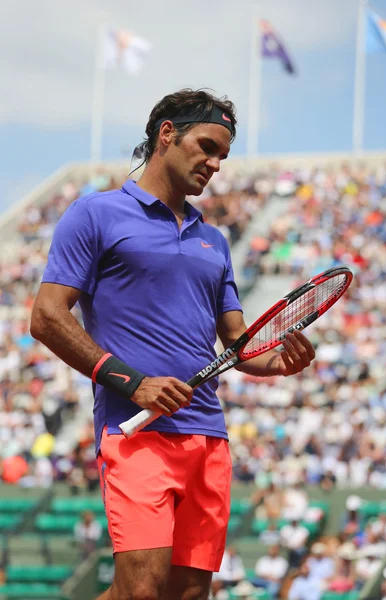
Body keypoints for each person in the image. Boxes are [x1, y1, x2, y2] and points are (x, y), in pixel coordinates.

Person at [30, 88, 316, 600]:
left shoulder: (217, 240)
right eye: (207, 146)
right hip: (134, 431)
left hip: (208, 436)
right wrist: (132, 383)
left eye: (222, 156)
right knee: (140, 591)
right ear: (167, 133)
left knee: (187, 595)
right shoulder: (94, 214)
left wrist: (279, 363)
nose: (215, 164)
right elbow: (47, 317)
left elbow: (238, 343)